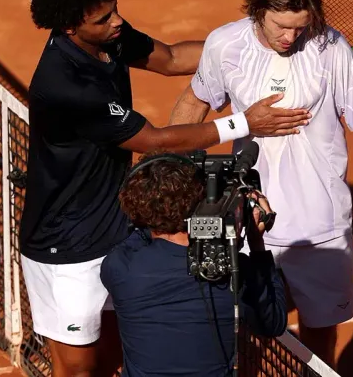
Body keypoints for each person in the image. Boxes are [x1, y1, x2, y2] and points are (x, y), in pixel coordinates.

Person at [18, 0, 310, 376]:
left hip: (116, 225)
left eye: (115, 8)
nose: (117, 21)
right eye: (104, 19)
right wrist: (244, 122)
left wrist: (247, 40)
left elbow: (172, 58)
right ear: (70, 27)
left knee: (120, 351)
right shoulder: (65, 85)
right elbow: (154, 140)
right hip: (66, 245)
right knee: (79, 368)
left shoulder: (107, 38)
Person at [168, 0, 353, 369]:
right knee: (242, 331)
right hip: (248, 221)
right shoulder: (225, 44)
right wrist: (169, 177)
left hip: (322, 226)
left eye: (300, 26)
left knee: (321, 333)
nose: (290, 37)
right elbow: (194, 102)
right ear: (257, 8)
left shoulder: (331, 48)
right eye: (281, 26)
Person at [100, 152, 287, 376]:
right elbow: (273, 323)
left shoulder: (119, 267)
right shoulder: (235, 269)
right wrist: (256, 243)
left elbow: (137, 232)